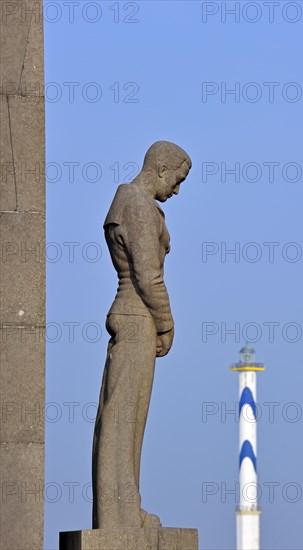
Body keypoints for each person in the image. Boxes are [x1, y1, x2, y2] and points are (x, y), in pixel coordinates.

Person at [92, 141, 192, 529]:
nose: (177, 191)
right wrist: (166, 323)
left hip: (131, 316)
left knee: (124, 418)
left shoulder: (131, 203)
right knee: (123, 419)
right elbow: (148, 276)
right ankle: (119, 516)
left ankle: (125, 509)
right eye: (178, 181)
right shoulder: (136, 205)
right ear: (162, 169)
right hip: (137, 316)